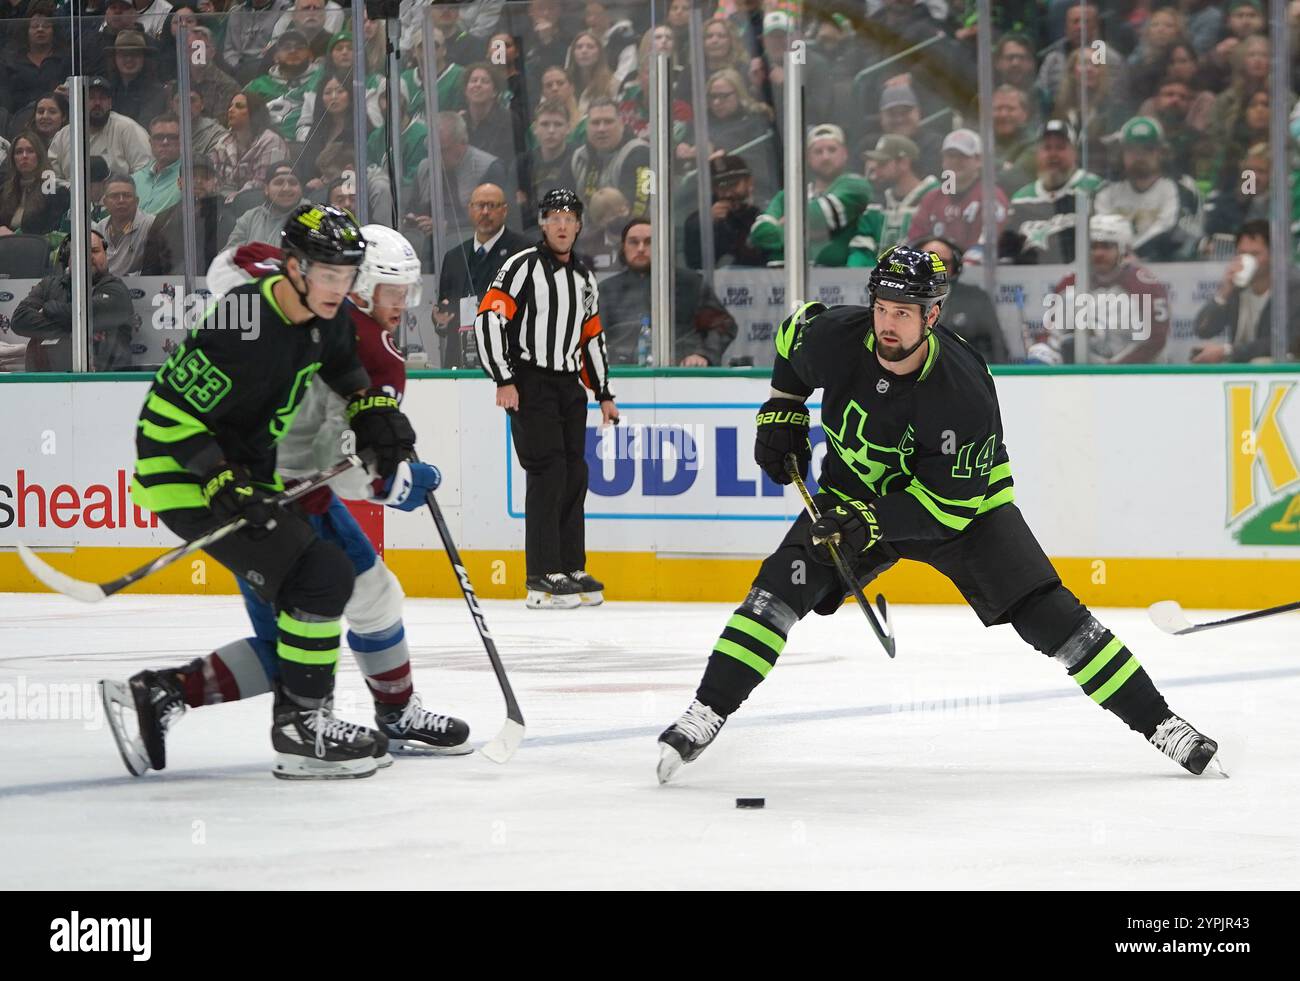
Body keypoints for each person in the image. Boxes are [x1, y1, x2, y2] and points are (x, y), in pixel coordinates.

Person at [656, 244, 1221, 784]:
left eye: (903, 312)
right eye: (881, 308)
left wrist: (870, 524)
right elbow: (794, 331)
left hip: (968, 513)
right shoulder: (839, 337)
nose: (887, 324)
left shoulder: (964, 392)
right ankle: (705, 712)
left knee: (1056, 621)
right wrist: (781, 408)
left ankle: (1163, 725)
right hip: (854, 499)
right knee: (776, 591)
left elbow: (946, 509)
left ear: (933, 315)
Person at [105, 222, 469, 776]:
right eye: (393, 290)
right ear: (301, 271)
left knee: (363, 598)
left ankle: (373, 716)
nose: (404, 304)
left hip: (282, 488)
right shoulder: (251, 323)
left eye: (345, 273)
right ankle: (249, 713)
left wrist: (373, 412)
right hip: (221, 481)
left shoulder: (332, 323)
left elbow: (339, 367)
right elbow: (172, 419)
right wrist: (219, 477)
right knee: (303, 619)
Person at [474, 188, 618, 609]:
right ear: (542, 223)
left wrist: (604, 392)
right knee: (547, 472)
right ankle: (541, 575)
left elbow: (591, 337)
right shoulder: (520, 266)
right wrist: (503, 377)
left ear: (578, 225)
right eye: (553, 216)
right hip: (529, 381)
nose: (561, 224)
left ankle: (571, 566)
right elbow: (489, 318)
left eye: (568, 217)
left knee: (575, 473)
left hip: (568, 384)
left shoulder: (584, 277)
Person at [598, 218, 737, 366]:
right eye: (633, 242)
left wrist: (703, 355)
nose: (640, 248)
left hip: (680, 375)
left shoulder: (690, 283)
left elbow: (723, 325)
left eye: (649, 242)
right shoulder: (607, 290)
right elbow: (591, 337)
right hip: (621, 377)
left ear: (661, 246)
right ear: (623, 248)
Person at [1042, 213, 1171, 365]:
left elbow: (1155, 340)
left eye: (1107, 246)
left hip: (1136, 376)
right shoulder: (1069, 284)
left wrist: (1112, 370)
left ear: (1123, 249)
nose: (1098, 253)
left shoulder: (1145, 286)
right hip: (1084, 377)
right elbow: (1053, 337)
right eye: (1093, 246)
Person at [434, 182, 532, 369]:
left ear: (504, 210)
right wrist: (441, 321)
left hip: (508, 363)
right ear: (470, 209)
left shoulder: (525, 252)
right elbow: (446, 310)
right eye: (479, 205)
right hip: (460, 365)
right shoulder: (454, 257)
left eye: (492, 205)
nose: (485, 212)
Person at [750, 123, 872, 267]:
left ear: (844, 154)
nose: (825, 157)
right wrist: (811, 231)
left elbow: (817, 218)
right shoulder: (787, 195)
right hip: (783, 280)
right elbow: (759, 233)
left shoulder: (855, 186)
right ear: (808, 158)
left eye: (832, 150)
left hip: (836, 280)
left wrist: (784, 225)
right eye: (818, 151)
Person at [11, 231, 133, 372]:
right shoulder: (49, 285)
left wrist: (49, 308)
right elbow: (20, 320)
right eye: (80, 251)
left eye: (94, 251)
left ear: (105, 255)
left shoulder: (117, 290)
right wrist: (75, 329)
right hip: (44, 383)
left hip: (105, 384)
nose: (88, 257)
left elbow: (90, 315)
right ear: (67, 258)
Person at [1192, 219, 1300, 363]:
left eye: (1255, 254)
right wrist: (1223, 293)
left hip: (1280, 370)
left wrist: (1227, 351)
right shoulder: (1236, 288)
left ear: (1274, 255)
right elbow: (1203, 330)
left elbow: (1286, 341)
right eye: (1242, 253)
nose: (1246, 260)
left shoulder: (1293, 288)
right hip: (1239, 369)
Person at [1004, 119, 1103, 265]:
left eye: (1060, 147)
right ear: (1037, 153)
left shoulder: (1095, 189)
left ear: (1074, 152)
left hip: (1078, 281)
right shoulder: (1021, 198)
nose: (1053, 154)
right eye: (1047, 148)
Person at [907, 129, 1008, 253]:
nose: (955, 161)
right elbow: (916, 239)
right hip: (934, 268)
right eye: (950, 156)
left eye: (963, 156)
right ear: (943, 160)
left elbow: (989, 244)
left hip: (975, 270)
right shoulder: (932, 198)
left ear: (978, 160)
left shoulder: (992, 197)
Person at [916, 237, 1008, 364]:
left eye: (943, 262)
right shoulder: (896, 299)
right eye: (928, 262)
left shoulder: (976, 299)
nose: (936, 268)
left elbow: (996, 349)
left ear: (955, 266)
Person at [48, 76, 152, 180]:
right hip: (72, 194)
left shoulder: (128, 128)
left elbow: (145, 171)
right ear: (81, 102)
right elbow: (51, 177)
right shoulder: (64, 135)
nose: (97, 103)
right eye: (91, 97)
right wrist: (70, 188)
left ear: (110, 103)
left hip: (118, 194)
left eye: (102, 98)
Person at [570, 96, 651, 219]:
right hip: (585, 232)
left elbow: (637, 210)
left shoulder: (641, 154)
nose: (601, 129)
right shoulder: (578, 157)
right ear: (587, 126)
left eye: (608, 122)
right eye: (595, 123)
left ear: (621, 123)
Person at [140, 161, 224, 275]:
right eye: (192, 176)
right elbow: (150, 267)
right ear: (179, 183)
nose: (198, 181)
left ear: (215, 183)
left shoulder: (224, 214)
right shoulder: (163, 219)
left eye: (205, 177)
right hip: (167, 288)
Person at [683, 154, 764, 270]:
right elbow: (695, 265)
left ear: (749, 182)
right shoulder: (700, 221)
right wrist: (709, 225)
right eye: (721, 187)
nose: (728, 194)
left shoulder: (768, 208)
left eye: (734, 185)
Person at [224, 160, 309, 249]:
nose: (286, 188)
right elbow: (228, 256)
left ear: (301, 189)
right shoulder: (249, 219)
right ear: (266, 189)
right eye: (279, 183)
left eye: (293, 183)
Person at [0, 131, 69, 236]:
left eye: (30, 151)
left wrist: (15, 237)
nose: (24, 156)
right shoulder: (4, 190)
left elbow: (51, 235)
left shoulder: (55, 192)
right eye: (19, 152)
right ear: (12, 158)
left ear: (39, 156)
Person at [94, 173, 156, 276]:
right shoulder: (99, 228)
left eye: (127, 195)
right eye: (114, 196)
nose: (121, 200)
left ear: (137, 201)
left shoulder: (150, 225)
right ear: (105, 202)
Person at [131, 112, 183, 215]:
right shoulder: (135, 179)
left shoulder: (189, 176)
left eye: (172, 137)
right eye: (159, 137)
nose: (165, 142)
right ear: (150, 142)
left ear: (182, 141)